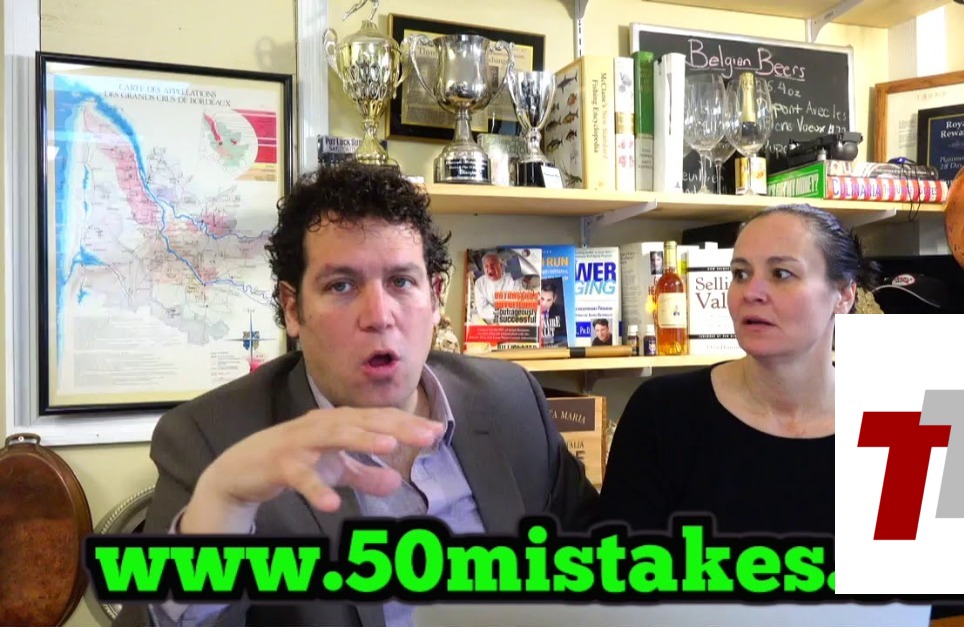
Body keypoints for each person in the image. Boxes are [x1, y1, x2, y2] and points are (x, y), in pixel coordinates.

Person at [114, 162, 598, 627]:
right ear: (293, 309)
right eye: (342, 286)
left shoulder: (511, 400)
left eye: (401, 282)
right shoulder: (211, 438)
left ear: (435, 296)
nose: (379, 316)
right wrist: (221, 511)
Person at [597, 203, 873, 536]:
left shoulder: (899, 422)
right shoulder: (662, 413)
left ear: (843, 295)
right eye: (741, 274)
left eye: (781, 274)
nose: (751, 293)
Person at [470, 250, 525, 323]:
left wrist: (493, 307)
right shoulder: (479, 283)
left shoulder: (513, 280)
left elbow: (516, 307)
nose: (490, 269)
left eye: (493, 264)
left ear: (501, 265)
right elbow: (482, 312)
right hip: (488, 324)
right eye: (486, 266)